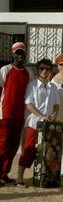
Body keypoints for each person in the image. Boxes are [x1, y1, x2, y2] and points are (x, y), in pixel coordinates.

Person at [16, 58, 61, 187]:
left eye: (47, 68)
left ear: (50, 70)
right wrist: (41, 116)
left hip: (48, 125)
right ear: (38, 69)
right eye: (42, 68)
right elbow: (28, 104)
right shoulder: (32, 85)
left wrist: (54, 114)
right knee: (28, 149)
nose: (44, 71)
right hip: (34, 123)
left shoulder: (53, 87)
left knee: (48, 152)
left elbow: (57, 104)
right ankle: (20, 177)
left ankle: (44, 177)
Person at [0, 42, 33, 185]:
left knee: (13, 146)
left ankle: (4, 173)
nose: (20, 55)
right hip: (5, 113)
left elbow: (30, 94)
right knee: (2, 145)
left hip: (20, 115)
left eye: (22, 53)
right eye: (17, 53)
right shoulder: (5, 70)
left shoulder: (28, 73)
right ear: (13, 54)